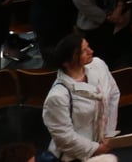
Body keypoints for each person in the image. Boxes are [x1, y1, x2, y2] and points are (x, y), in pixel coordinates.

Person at [42, 32, 122, 162]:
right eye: (83, 51)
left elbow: (113, 95)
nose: (91, 51)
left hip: (101, 145)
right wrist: (95, 148)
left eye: (88, 47)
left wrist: (108, 135)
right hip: (73, 156)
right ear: (67, 62)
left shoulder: (98, 65)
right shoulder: (57, 96)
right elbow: (64, 137)